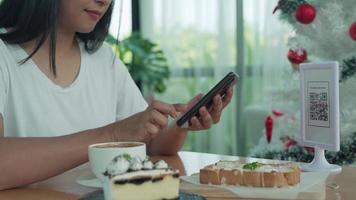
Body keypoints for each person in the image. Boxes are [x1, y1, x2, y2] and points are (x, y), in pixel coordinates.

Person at [0, 0, 233, 190]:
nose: (104, 2)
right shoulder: (4, 56)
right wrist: (111, 134)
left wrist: (181, 124)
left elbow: (152, 147)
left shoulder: (104, 60)